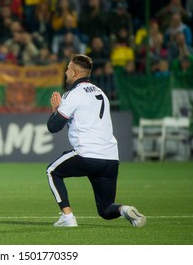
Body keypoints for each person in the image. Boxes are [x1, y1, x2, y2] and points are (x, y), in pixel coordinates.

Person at [45, 54, 146, 227]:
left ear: (76, 72)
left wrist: (55, 110)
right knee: (105, 209)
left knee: (52, 172)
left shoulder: (73, 95)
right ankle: (124, 209)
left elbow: (53, 127)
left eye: (68, 68)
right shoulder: (100, 92)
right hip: (111, 158)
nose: (66, 71)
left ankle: (68, 218)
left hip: (87, 154)